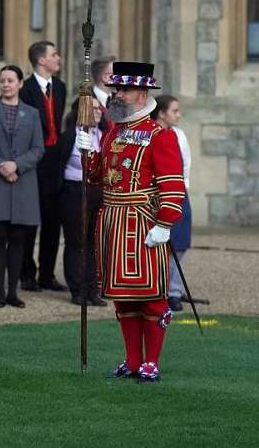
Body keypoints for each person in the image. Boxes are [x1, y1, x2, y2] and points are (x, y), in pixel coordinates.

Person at [77, 61, 185, 382]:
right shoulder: (113, 132)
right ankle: (133, 359)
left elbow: (173, 184)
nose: (117, 95)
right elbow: (99, 177)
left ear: (142, 93)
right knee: (124, 299)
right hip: (113, 219)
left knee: (152, 297)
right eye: (116, 89)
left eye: (123, 89)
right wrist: (89, 153)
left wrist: (165, 224)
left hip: (143, 221)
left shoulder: (161, 136)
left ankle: (152, 360)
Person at [0, 65, 44, 308]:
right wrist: (1, 165)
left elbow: (38, 148)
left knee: (18, 239)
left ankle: (13, 292)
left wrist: (17, 166)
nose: (6, 84)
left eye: (10, 80)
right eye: (2, 80)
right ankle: (0, 292)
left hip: (23, 183)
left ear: (20, 83)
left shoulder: (32, 113)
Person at [19, 40, 67, 292]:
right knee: (29, 222)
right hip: (33, 160)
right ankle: (27, 273)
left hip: (54, 161)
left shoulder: (60, 87)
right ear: (41, 60)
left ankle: (47, 274)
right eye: (54, 54)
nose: (58, 58)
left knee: (52, 222)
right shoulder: (25, 90)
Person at [58, 98, 108, 307]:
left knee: (93, 242)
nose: (98, 112)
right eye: (93, 108)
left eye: (99, 108)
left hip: (97, 191)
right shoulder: (71, 135)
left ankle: (93, 289)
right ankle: (78, 289)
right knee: (77, 242)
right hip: (75, 191)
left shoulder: (103, 136)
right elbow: (59, 164)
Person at [151, 94, 192, 312]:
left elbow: (185, 167)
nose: (178, 115)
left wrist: (180, 195)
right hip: (156, 196)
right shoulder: (150, 134)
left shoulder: (180, 135)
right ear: (161, 112)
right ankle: (156, 289)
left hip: (179, 194)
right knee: (158, 245)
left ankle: (174, 290)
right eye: (174, 111)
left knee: (180, 243)